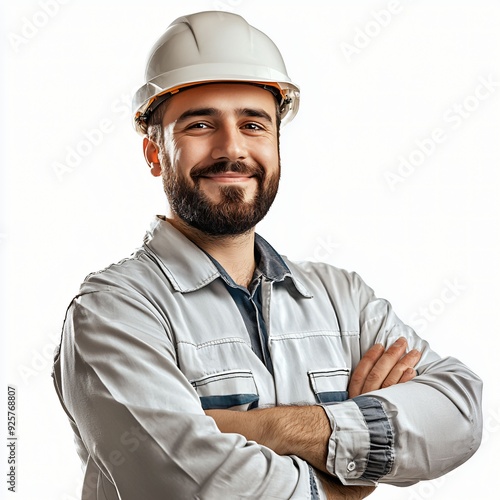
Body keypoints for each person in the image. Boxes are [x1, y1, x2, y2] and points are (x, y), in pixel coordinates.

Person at [52, 11, 482, 500]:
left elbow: (461, 414)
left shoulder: (342, 298)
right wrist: (349, 479)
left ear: (277, 143)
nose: (231, 148)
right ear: (154, 153)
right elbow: (190, 486)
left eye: (253, 124)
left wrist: (277, 428)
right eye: (199, 124)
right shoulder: (114, 311)